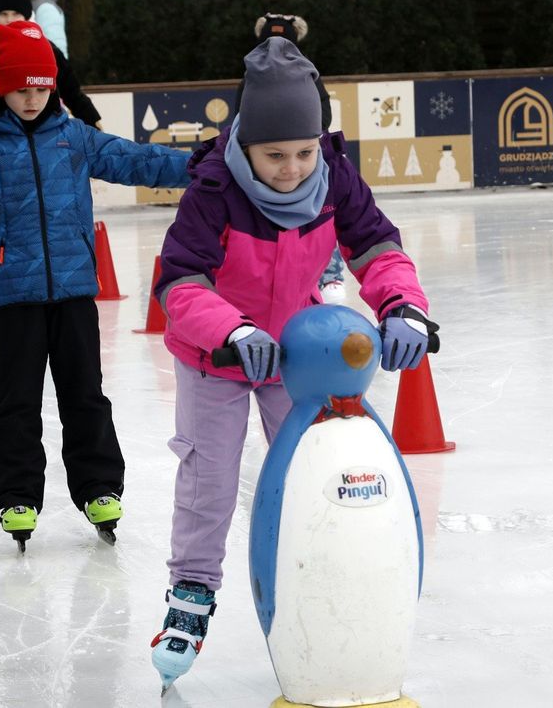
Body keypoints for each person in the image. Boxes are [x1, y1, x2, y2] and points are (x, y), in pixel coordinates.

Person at [148, 37, 436, 691]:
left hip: (297, 361)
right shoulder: (214, 189)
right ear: (246, 140)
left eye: (303, 152)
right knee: (210, 480)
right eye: (275, 155)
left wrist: (404, 308)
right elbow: (179, 285)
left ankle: (324, 573)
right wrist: (233, 328)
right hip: (215, 357)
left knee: (317, 472)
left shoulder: (334, 176)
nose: (290, 169)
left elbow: (378, 248)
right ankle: (191, 596)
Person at [0, 21, 190, 548]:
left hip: (74, 294)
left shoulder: (74, 138)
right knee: (17, 401)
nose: (31, 98)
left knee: (85, 396)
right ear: (0, 86)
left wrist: (205, 163)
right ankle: (16, 495)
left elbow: (138, 159)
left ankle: (99, 488)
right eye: (20, 87)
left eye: (41, 87)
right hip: (15, 299)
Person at [235, 13, 345, 303]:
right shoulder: (252, 78)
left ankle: (330, 274)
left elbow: (372, 234)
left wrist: (312, 133)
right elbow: (240, 113)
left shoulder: (307, 74)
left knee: (321, 212)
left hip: (310, 147)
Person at [0, 0, 101, 129]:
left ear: (27, 15)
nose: (9, 19)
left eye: (16, 13)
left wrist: (92, 120)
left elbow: (70, 90)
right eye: (4, 14)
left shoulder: (44, 47)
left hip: (42, 127)